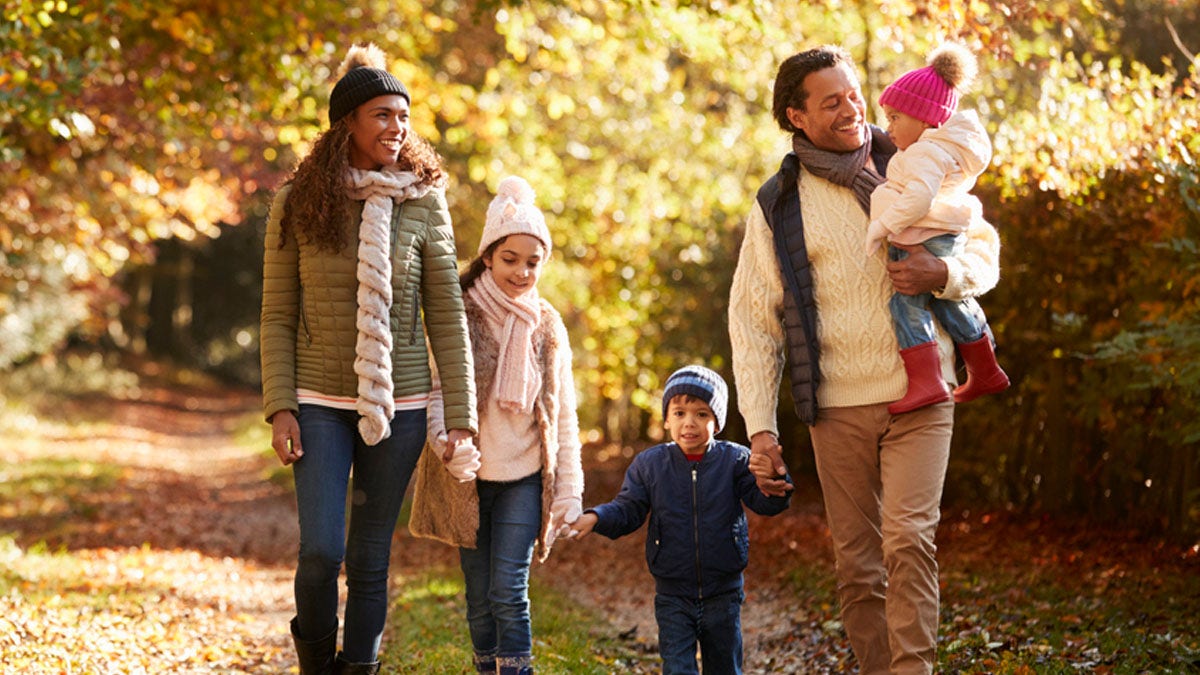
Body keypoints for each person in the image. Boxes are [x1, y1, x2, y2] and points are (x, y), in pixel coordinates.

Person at [728, 45, 1002, 675]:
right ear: (796, 116)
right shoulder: (779, 203)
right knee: (858, 563)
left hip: (922, 391)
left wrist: (947, 271)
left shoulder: (914, 157)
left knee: (909, 539)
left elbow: (983, 246)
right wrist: (762, 429)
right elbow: (752, 319)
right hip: (836, 405)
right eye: (832, 102)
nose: (853, 109)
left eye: (854, 93)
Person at [260, 43, 476, 675]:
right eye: (381, 114)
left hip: (401, 405)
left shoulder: (423, 201)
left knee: (372, 555)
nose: (396, 127)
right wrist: (280, 408)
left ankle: (361, 667)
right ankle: (316, 664)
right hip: (319, 403)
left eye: (403, 116)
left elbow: (447, 315)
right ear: (347, 123)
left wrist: (458, 416)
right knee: (323, 551)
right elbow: (275, 314)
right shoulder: (298, 200)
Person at [408, 176, 584, 675]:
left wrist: (569, 490)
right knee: (479, 593)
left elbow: (562, 413)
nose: (523, 271)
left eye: (533, 261)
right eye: (511, 259)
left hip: (524, 478)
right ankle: (488, 666)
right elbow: (436, 390)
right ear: (488, 256)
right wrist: (446, 444)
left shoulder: (547, 324)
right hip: (469, 478)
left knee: (509, 586)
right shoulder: (459, 313)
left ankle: (516, 670)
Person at [571, 366, 792, 675]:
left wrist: (775, 481)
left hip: (723, 592)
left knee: (725, 666)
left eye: (702, 414)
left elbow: (765, 501)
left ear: (717, 422)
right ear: (667, 419)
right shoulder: (650, 465)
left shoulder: (736, 461)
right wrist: (596, 516)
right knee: (677, 668)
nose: (689, 422)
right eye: (679, 413)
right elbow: (628, 509)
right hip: (673, 594)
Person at [864, 42, 1009, 413]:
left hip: (926, 235)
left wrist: (882, 225)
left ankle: (927, 381)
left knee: (905, 304)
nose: (889, 126)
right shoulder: (933, 149)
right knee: (949, 305)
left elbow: (919, 200)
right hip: (937, 234)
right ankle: (985, 367)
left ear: (926, 118)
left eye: (896, 117)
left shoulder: (925, 152)